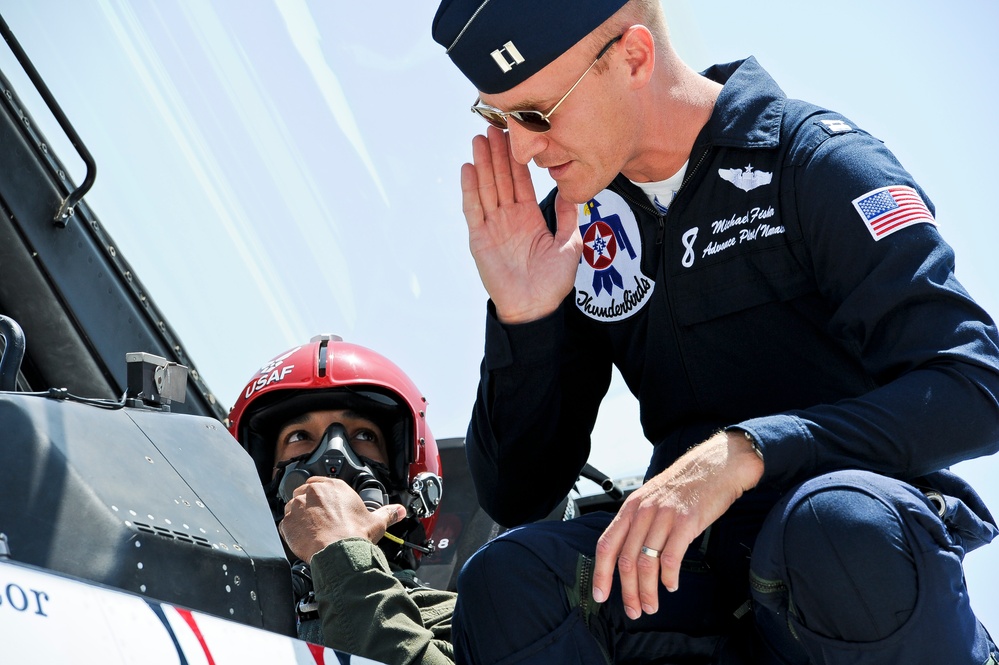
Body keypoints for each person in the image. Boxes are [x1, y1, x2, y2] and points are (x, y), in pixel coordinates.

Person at [430, 1, 999, 663]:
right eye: (499, 119)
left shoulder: (813, 161)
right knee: (510, 581)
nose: (522, 149)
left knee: (834, 528)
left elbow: (973, 385)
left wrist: (747, 452)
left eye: (536, 114)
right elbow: (517, 495)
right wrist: (524, 319)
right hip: (695, 575)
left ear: (633, 57)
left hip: (840, 565)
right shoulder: (575, 224)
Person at [227, 334, 456, 664]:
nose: (333, 460)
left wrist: (343, 557)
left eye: (363, 435)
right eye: (299, 437)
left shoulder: (453, 617)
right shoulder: (217, 603)